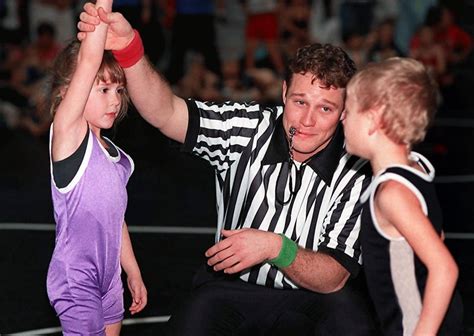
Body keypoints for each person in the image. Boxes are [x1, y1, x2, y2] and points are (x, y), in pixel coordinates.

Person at [77, 3, 380, 335]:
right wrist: (129, 50)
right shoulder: (247, 127)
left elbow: (334, 275)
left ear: (344, 111)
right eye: (299, 102)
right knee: (190, 323)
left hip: (313, 297)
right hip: (230, 289)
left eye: (325, 108)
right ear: (283, 93)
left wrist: (275, 247)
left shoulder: (354, 169)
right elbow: (166, 113)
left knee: (353, 324)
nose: (307, 121)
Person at [46, 0, 147, 334]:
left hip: (109, 279)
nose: (115, 99)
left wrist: (131, 270)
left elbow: (115, 218)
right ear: (68, 93)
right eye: (103, 89)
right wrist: (104, 7)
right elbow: (90, 58)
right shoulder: (70, 138)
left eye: (118, 89)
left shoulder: (120, 160)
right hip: (76, 277)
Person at [342, 57, 463, 335]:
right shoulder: (415, 168)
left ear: (372, 120)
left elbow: (444, 268)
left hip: (416, 325)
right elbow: (436, 236)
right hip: (430, 318)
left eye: (348, 110)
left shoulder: (392, 194)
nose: (342, 118)